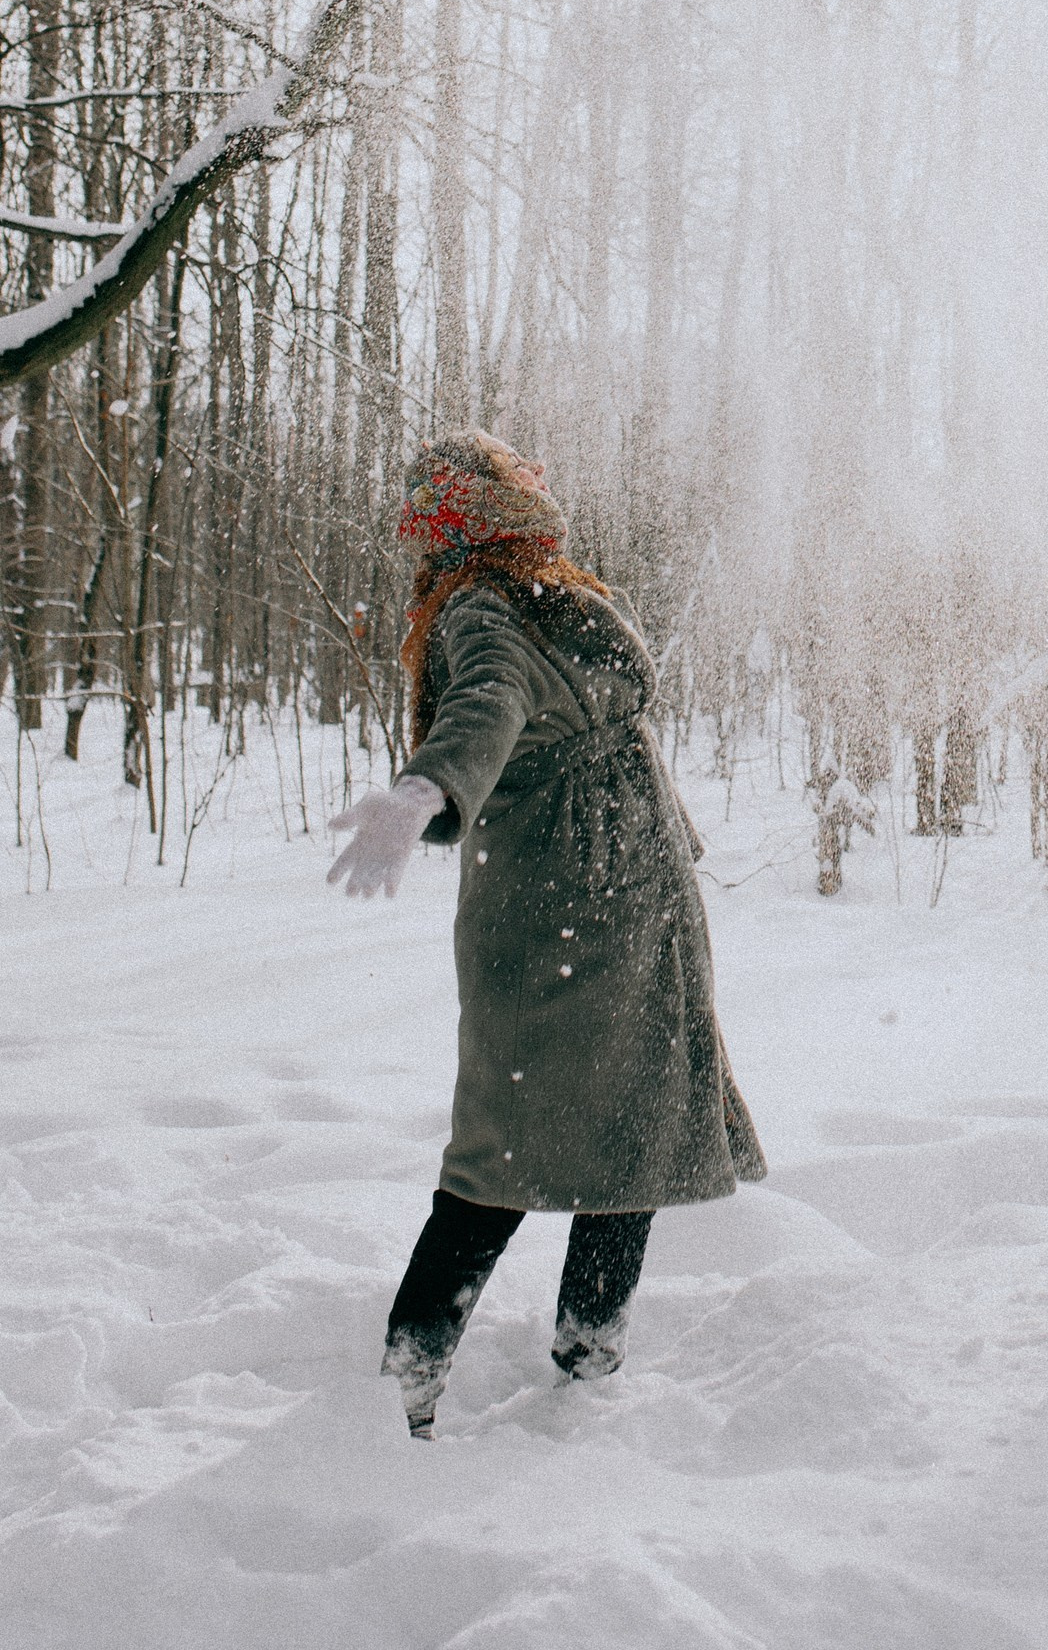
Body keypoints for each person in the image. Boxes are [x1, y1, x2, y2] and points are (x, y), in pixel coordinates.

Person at [328, 431, 765, 1437]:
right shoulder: (502, 602)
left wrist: (423, 789)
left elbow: (485, 698)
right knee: (526, 1138)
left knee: (608, 1134)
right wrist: (425, 790)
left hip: (604, 900)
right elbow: (484, 706)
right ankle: (416, 1382)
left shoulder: (524, 592)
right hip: (581, 902)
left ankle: (568, 1369)